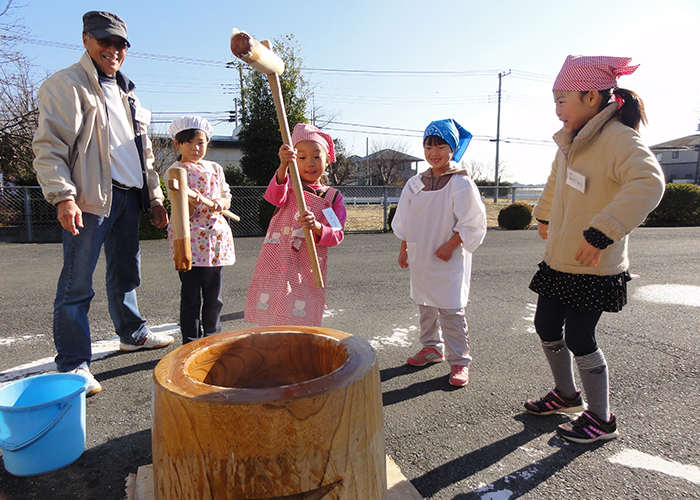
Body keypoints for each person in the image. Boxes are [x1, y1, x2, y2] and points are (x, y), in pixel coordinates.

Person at [32, 11, 174, 396]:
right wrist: (63, 196)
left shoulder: (129, 93)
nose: (112, 50)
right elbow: (49, 147)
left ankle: (132, 333)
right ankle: (73, 364)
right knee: (77, 283)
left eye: (119, 44)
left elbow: (145, 156)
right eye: (104, 41)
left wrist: (156, 197)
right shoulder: (67, 85)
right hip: (91, 198)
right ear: (85, 40)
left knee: (127, 272)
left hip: (128, 196)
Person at [524, 55, 665, 443]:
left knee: (580, 338)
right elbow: (556, 183)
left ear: (590, 97)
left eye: (562, 100)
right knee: (546, 325)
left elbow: (649, 184)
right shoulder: (570, 142)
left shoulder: (619, 138)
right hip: (561, 259)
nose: (557, 110)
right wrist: (545, 215)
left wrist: (602, 232)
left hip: (595, 262)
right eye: (554, 101)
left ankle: (601, 419)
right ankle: (566, 395)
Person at [392, 119, 487, 387]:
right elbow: (405, 219)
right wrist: (404, 247)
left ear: (452, 148)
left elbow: (473, 222)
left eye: (440, 146)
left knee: (450, 310)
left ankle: (459, 361)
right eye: (428, 146)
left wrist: (451, 244)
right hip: (421, 256)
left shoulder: (461, 182)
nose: (433, 152)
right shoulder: (415, 183)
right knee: (425, 305)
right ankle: (431, 347)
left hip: (449, 258)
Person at [245, 123, 346, 327]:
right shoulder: (289, 185)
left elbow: (336, 234)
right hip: (278, 257)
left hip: (307, 263)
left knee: (302, 311)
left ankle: (298, 350)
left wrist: (317, 227)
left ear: (327, 160)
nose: (310, 163)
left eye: (317, 156)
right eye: (301, 157)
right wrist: (282, 167)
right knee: (272, 309)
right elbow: (274, 198)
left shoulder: (332, 197)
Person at [166, 116, 236, 344]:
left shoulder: (215, 168)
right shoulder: (175, 171)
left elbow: (226, 197)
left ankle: (212, 337)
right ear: (177, 144)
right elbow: (180, 208)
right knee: (190, 295)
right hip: (189, 239)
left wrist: (219, 203)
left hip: (215, 238)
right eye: (189, 142)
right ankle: (191, 340)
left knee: (213, 295)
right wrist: (192, 201)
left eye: (201, 143)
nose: (196, 148)